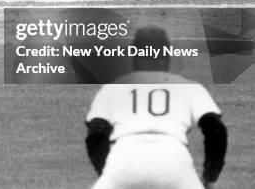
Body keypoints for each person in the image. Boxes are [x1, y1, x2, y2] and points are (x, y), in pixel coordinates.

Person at [85, 26, 227, 189]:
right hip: (173, 160)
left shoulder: (113, 88)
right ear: (167, 55)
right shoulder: (189, 87)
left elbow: (96, 134)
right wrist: (210, 177)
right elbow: (216, 129)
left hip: (125, 156)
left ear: (133, 54)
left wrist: (109, 174)